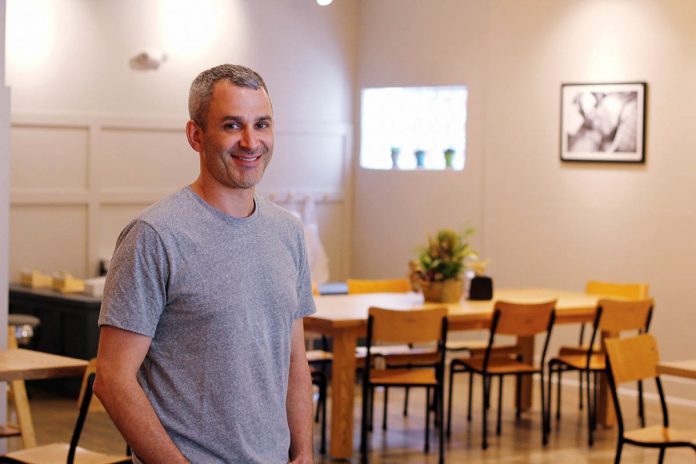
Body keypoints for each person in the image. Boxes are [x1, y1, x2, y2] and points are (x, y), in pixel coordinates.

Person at [94, 64, 316, 464]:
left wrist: (303, 452)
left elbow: (295, 361)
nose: (251, 141)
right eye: (232, 125)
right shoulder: (154, 235)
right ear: (196, 135)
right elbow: (112, 379)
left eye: (262, 124)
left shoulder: (288, 233)